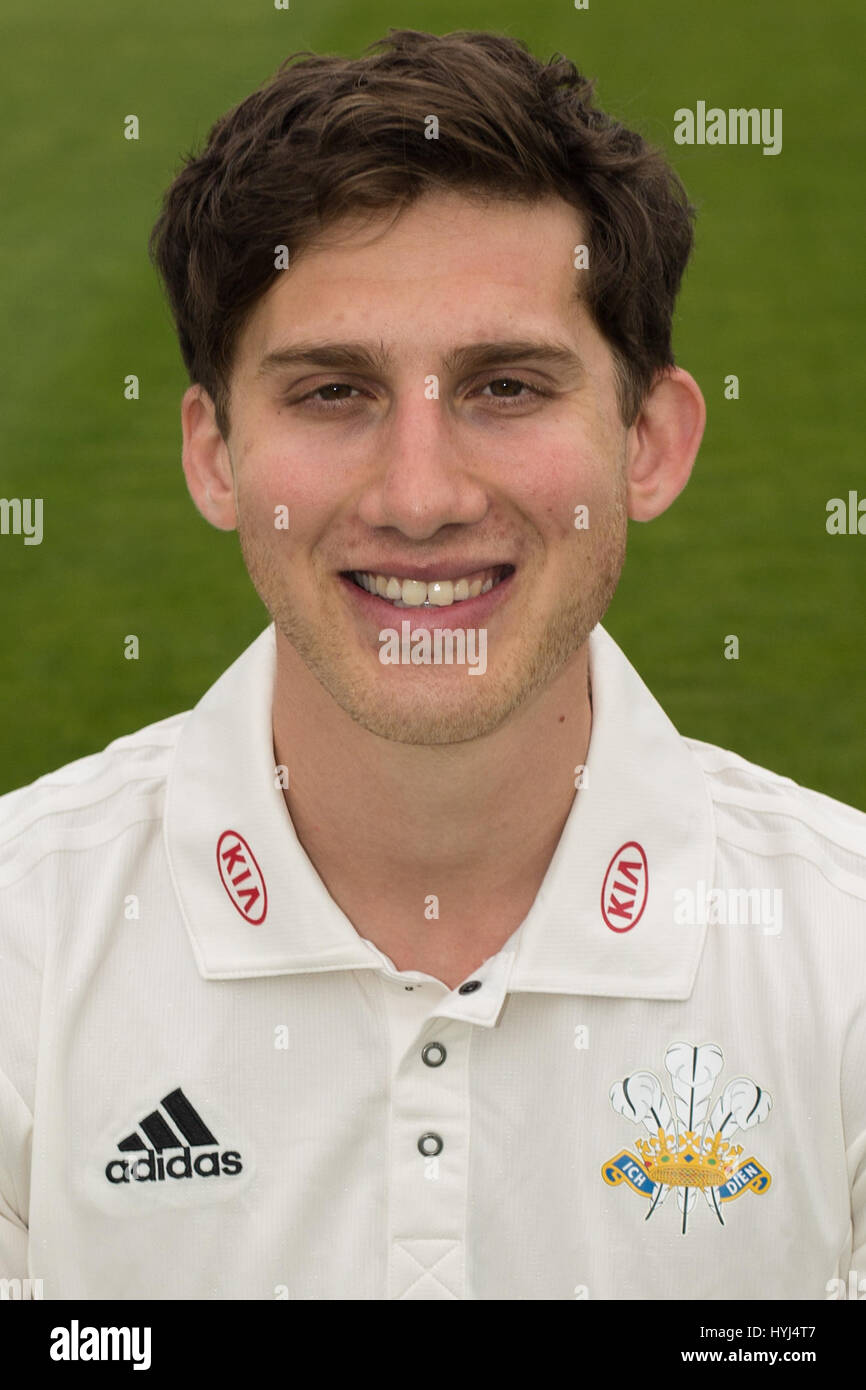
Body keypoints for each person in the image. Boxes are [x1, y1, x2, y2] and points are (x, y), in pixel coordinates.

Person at [1, 28, 863, 1302]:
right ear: (215, 455)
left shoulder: (842, 965)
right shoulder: (21, 946)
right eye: (333, 392)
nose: (418, 497)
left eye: (505, 386)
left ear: (649, 440)